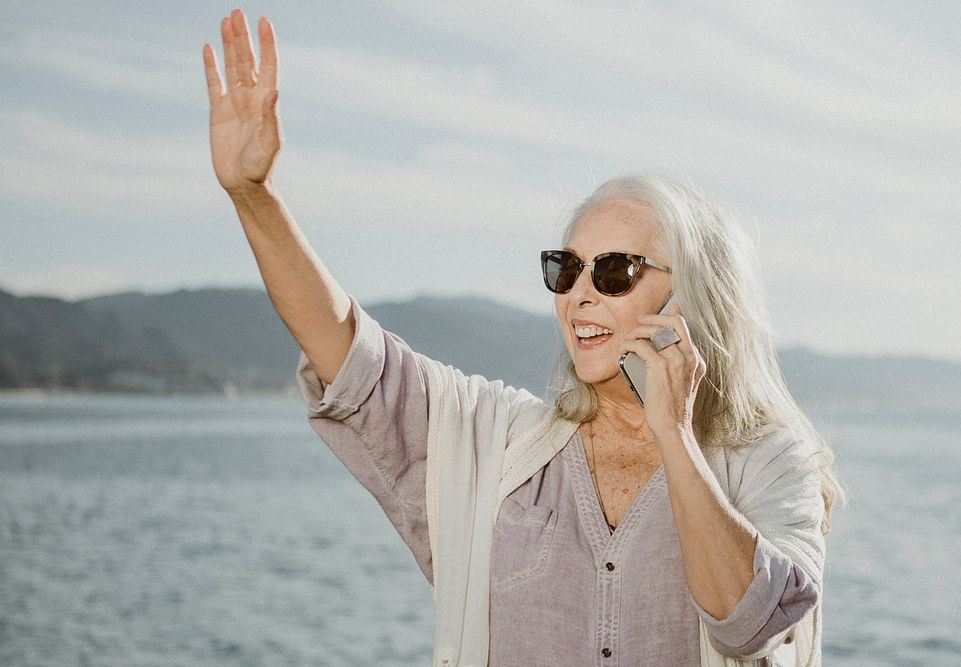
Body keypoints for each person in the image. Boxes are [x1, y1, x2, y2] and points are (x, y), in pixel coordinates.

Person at [203, 9, 841, 666]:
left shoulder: (769, 463)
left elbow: (751, 625)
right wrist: (255, 195)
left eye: (615, 270)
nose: (579, 294)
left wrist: (674, 435)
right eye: (565, 269)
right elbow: (350, 353)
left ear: (694, 298)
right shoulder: (496, 444)